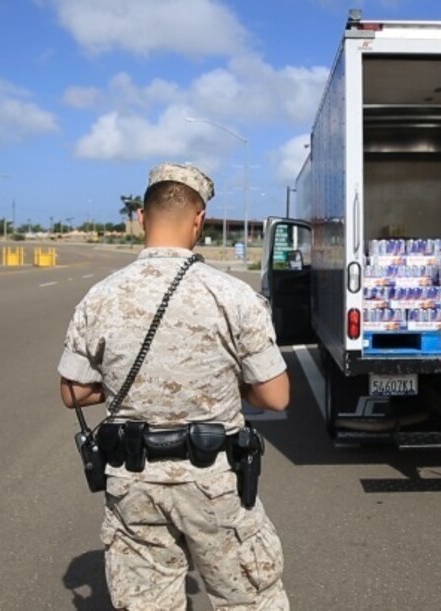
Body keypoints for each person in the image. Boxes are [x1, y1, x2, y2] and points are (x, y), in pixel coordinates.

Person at [58, 162, 291, 610]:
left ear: (142, 218)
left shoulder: (101, 296)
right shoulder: (233, 295)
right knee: (249, 601)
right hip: (213, 483)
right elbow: (275, 396)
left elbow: (73, 392)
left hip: (133, 484)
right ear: (199, 219)